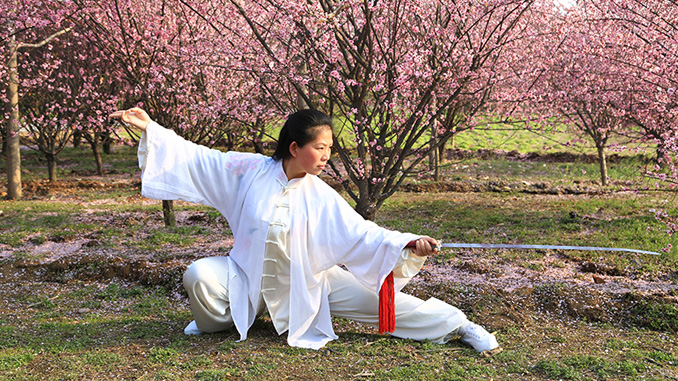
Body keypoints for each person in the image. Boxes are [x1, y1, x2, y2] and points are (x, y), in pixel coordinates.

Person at [110, 107, 502, 355]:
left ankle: (461, 325)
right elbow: (201, 158)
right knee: (198, 275)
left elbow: (362, 232)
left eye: (331, 148)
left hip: (310, 283)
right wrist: (152, 130)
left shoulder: (321, 194)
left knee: (387, 309)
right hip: (246, 277)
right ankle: (222, 322)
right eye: (321, 147)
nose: (328, 156)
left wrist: (406, 244)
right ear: (295, 147)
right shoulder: (249, 172)